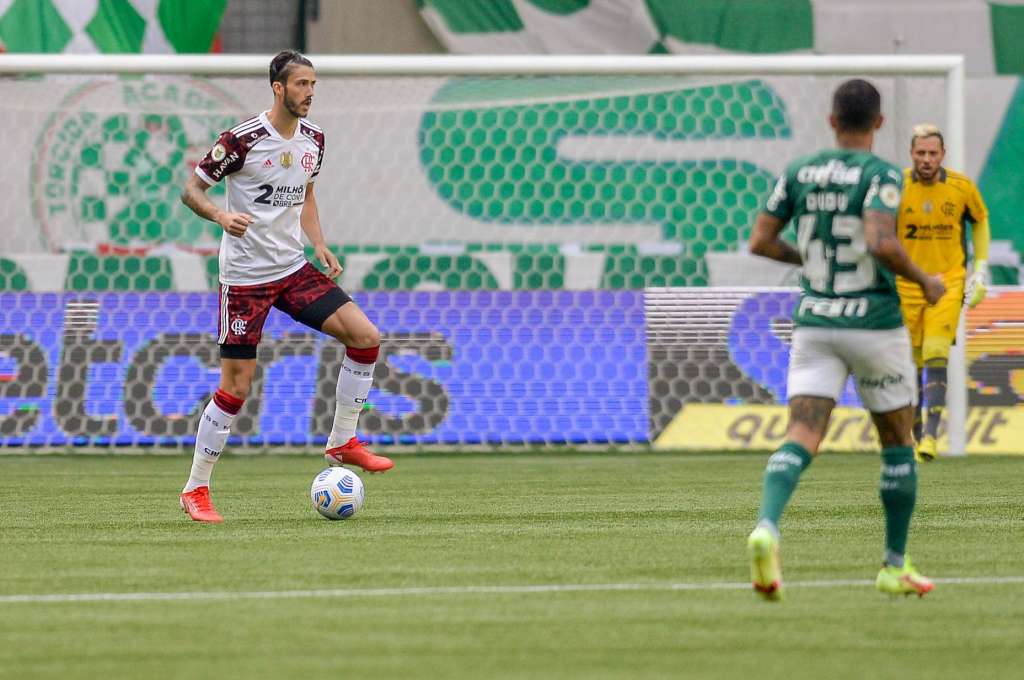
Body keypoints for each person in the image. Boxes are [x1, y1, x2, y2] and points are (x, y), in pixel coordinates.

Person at [745, 79, 946, 600]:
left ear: (832, 121)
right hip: (873, 324)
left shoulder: (799, 171)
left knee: (802, 434)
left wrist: (807, 261)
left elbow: (761, 242)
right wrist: (924, 281)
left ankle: (767, 525)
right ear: (879, 123)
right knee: (898, 442)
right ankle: (893, 565)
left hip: (814, 321)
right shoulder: (881, 175)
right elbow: (880, 242)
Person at [177, 50, 393, 524]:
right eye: (301, 85)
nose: (310, 92)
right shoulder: (242, 139)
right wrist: (220, 215)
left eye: (313, 84)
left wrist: (320, 245)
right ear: (278, 88)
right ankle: (196, 490)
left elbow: (307, 194)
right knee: (236, 387)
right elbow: (191, 190)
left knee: (366, 337)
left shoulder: (315, 138)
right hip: (246, 280)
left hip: (292, 270)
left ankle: (342, 440)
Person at [897, 124, 991, 462]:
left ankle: (932, 437)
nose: (926, 159)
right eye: (920, 153)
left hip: (948, 281)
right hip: (906, 284)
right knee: (910, 362)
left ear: (942, 155)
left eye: (932, 153)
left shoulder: (961, 187)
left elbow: (980, 221)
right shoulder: (896, 187)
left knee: (937, 350)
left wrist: (979, 272)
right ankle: (917, 433)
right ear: (912, 154)